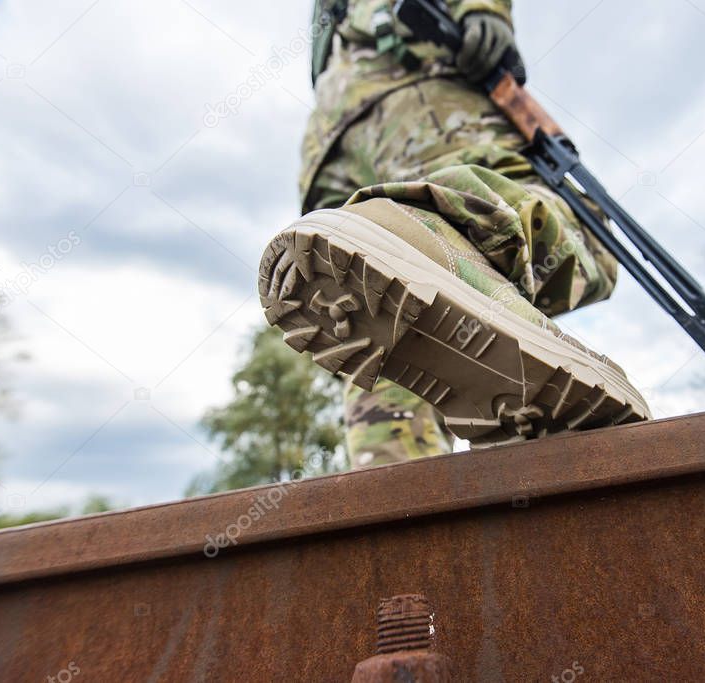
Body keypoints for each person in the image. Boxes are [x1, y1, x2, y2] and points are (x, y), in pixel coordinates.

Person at [258, 0, 649, 469]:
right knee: (586, 236)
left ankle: (398, 488)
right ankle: (434, 243)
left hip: (330, 143)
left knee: (388, 323)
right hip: (419, 90)